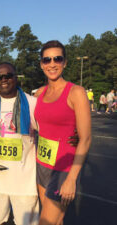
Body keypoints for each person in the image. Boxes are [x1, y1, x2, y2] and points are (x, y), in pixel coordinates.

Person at [34, 40, 91, 225]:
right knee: (56, 221)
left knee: (46, 222)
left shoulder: (76, 92)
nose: (52, 64)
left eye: (57, 59)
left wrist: (72, 178)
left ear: (64, 62)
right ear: (42, 64)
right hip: (41, 163)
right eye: (47, 60)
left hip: (63, 169)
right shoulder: (39, 94)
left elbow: (86, 138)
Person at [0, 62, 39, 225]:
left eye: (8, 76)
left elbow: (48, 133)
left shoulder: (32, 103)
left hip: (25, 180)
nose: (3, 80)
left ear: (16, 77)